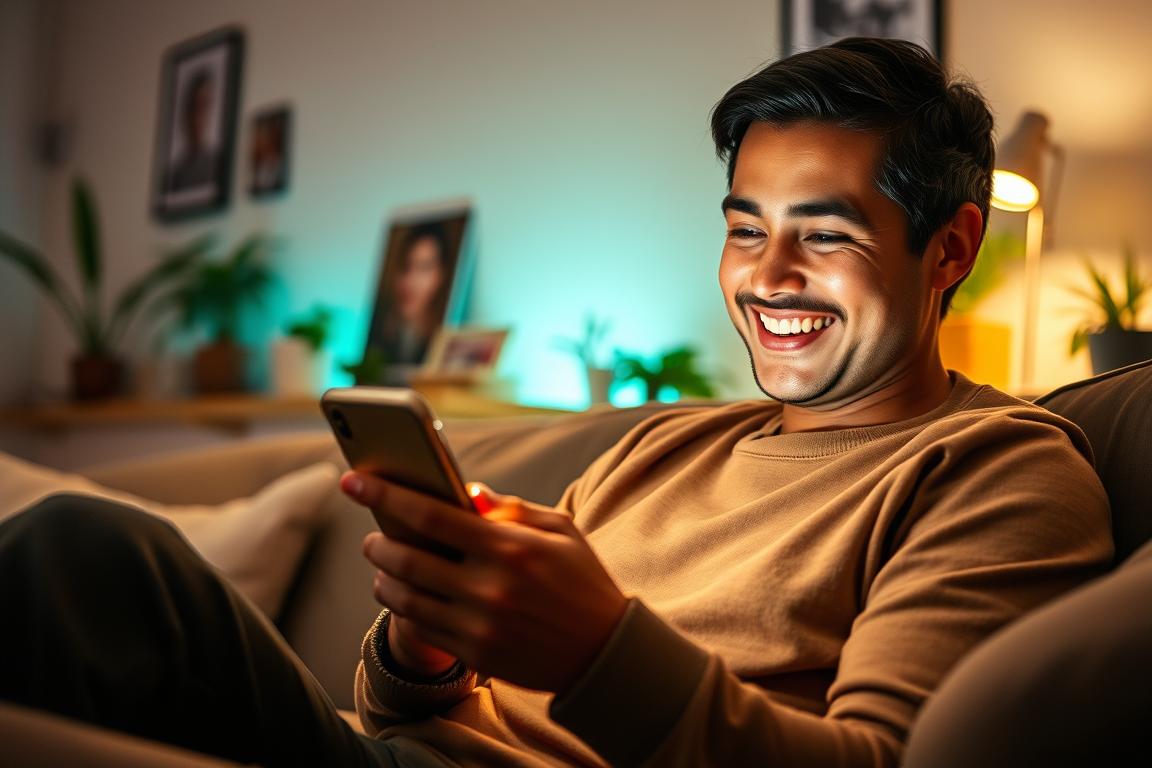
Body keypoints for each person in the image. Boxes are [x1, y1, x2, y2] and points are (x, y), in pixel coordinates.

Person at [0, 38, 1111, 767]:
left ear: (949, 247)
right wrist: (427, 651)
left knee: (87, 555)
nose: (768, 277)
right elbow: (410, 724)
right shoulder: (657, 447)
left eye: (823, 234)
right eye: (742, 229)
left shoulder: (999, 468)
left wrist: (595, 650)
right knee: (85, 559)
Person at [367, 221, 455, 374]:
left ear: (441, 275)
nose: (411, 281)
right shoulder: (379, 331)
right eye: (406, 267)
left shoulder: (444, 339)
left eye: (424, 268)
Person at [167, 68, 219, 192]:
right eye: (194, 107)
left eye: (204, 106)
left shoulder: (217, 164)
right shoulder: (174, 175)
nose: (198, 117)